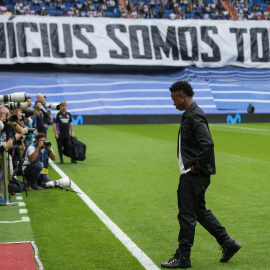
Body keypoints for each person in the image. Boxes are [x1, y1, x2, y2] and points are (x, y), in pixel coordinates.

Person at [161, 81, 242, 269]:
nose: (173, 103)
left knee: (187, 215)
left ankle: (183, 256)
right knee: (199, 212)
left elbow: (207, 143)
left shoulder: (194, 115)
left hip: (194, 175)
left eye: (174, 99)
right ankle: (228, 243)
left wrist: (195, 167)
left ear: (182, 96)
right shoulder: (190, 114)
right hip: (195, 174)